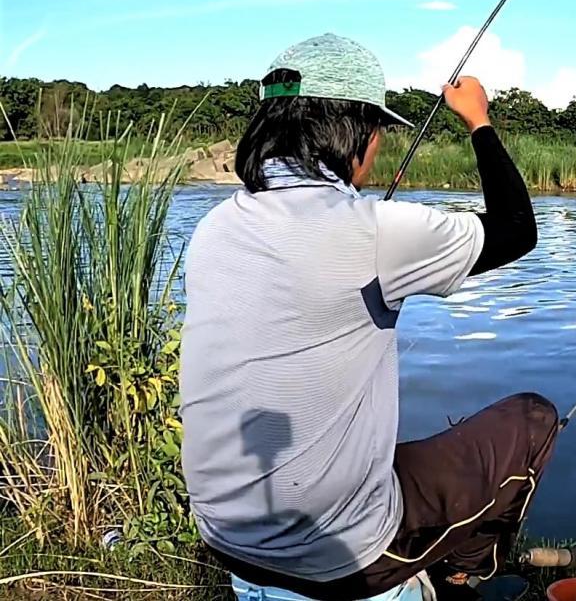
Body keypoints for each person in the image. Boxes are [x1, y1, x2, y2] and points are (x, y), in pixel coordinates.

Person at [178, 33, 556, 601]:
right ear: (354, 130)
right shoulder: (377, 233)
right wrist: (478, 120)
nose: (378, 147)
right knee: (531, 419)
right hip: (342, 557)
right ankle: (465, 573)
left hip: (224, 536)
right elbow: (516, 229)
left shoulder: (213, 229)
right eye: (378, 131)